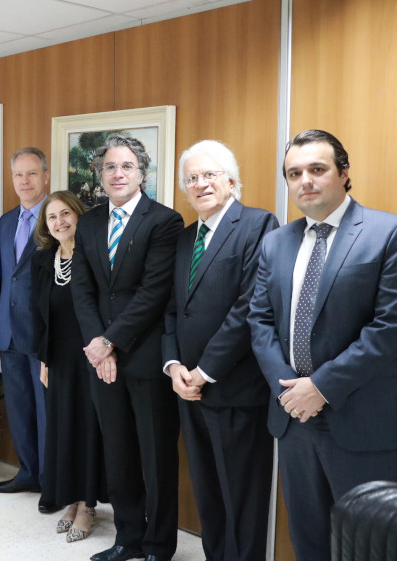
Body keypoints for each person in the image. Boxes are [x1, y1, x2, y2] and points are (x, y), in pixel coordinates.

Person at [248, 129, 397, 561]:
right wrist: (290, 390)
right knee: (308, 537)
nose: (305, 181)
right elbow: (259, 322)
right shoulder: (276, 241)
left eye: (317, 169)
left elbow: (388, 328)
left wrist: (321, 386)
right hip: (294, 419)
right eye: (294, 173)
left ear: (344, 173)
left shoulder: (386, 233)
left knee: (366, 545)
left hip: (361, 418)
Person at [162, 141, 278, 561]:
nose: (200, 184)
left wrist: (205, 370)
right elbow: (173, 309)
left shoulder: (259, 224)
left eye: (209, 174)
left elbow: (250, 306)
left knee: (243, 501)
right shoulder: (184, 236)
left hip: (234, 389)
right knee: (208, 493)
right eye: (191, 178)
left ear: (231, 180)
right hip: (187, 390)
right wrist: (174, 366)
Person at [71, 134, 183, 561]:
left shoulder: (164, 221)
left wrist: (109, 340)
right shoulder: (90, 222)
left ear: (143, 173)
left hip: (146, 355)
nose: (118, 174)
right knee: (117, 452)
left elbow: (153, 293)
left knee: (155, 457)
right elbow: (82, 290)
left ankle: (158, 545)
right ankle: (128, 538)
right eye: (110, 168)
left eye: (127, 167)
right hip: (103, 361)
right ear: (101, 175)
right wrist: (99, 347)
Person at [30, 191, 108, 543]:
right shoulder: (43, 259)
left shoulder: (94, 253)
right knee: (63, 429)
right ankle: (73, 499)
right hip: (59, 359)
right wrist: (44, 357)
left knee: (89, 430)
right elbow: (40, 315)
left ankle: (89, 505)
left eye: (65, 214)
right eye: (51, 217)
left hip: (91, 357)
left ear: (79, 215)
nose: (59, 222)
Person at [0, 147, 56, 513]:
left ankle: (51, 481)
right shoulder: (6, 221)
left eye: (32, 174)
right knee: (19, 408)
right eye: (19, 175)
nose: (25, 181)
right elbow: (7, 277)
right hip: (10, 332)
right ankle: (28, 472)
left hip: (43, 333)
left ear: (45, 176)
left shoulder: (59, 217)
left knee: (47, 411)